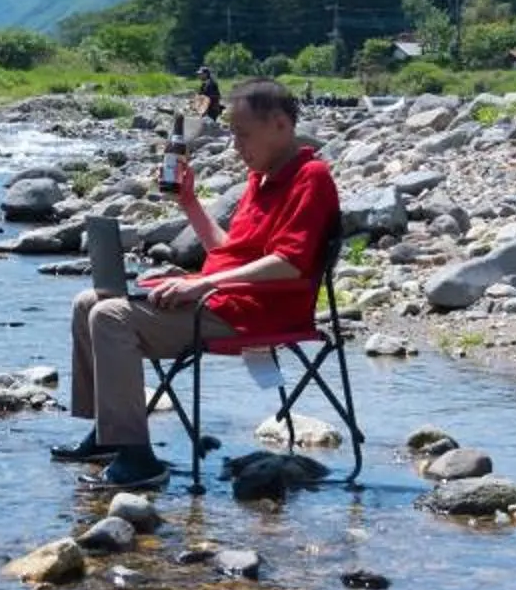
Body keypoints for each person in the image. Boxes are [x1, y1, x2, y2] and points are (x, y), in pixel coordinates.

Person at [53, 76, 340, 489]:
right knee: (88, 301)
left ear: (280, 124)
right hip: (224, 300)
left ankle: (138, 461)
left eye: (243, 134)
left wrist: (203, 285)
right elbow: (228, 250)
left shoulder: (311, 178)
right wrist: (189, 203)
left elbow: (289, 264)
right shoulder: (260, 179)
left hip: (255, 314)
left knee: (111, 316)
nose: (235, 146)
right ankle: (109, 435)